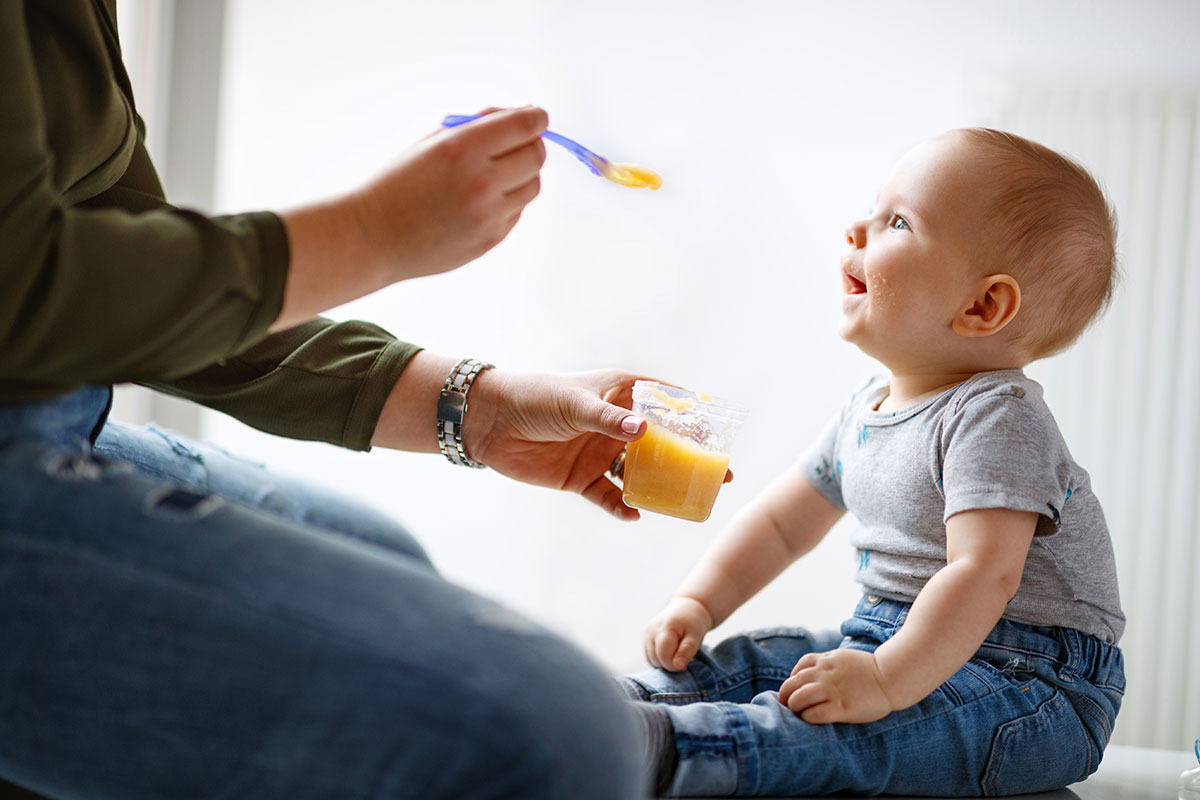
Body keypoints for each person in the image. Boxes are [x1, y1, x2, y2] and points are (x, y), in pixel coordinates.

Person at [1, 3, 650, 799]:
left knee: (383, 549)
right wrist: (374, 232)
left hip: (50, 412)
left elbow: (114, 239)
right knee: (550, 740)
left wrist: (474, 408)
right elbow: (27, 289)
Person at [620, 128, 1127, 796]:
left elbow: (983, 574)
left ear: (982, 306)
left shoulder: (996, 416)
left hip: (1032, 685)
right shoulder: (867, 408)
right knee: (746, 666)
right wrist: (698, 603)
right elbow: (780, 523)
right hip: (897, 637)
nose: (858, 228)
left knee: (842, 733)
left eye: (897, 221)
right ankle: (605, 707)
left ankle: (662, 750)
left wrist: (886, 681)